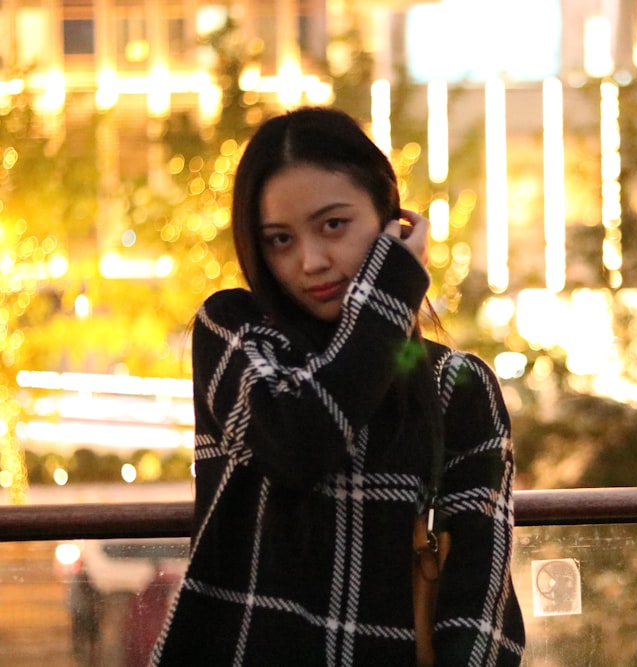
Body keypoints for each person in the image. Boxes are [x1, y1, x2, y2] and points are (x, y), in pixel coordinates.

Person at [150, 106, 525, 665]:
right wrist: (392, 291)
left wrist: (388, 288)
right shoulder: (235, 332)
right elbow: (298, 442)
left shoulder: (457, 387)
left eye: (333, 225)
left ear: (389, 221)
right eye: (279, 239)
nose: (311, 261)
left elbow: (479, 605)